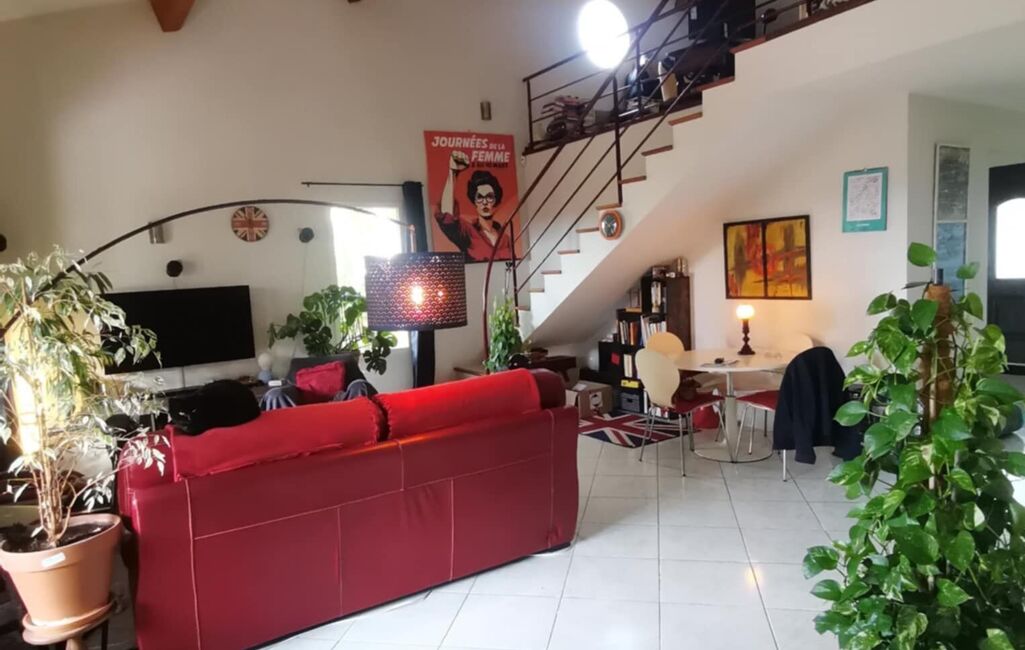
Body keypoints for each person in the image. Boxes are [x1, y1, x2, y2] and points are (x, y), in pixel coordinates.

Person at [434, 150, 514, 262]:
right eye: (480, 197)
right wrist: (453, 172)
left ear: (495, 200)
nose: (485, 202)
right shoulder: (468, 232)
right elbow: (446, 217)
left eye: (489, 197)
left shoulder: (506, 239)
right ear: (474, 201)